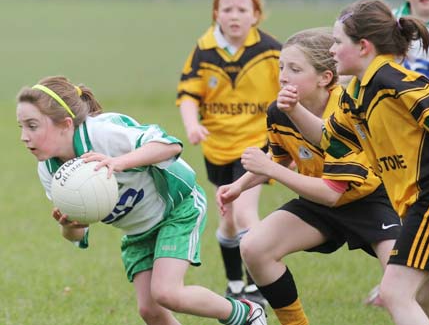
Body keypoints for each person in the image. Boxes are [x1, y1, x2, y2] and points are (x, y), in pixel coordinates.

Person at [16, 76, 267, 325]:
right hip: (137, 231)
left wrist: (118, 162)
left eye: (32, 125)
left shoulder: (102, 132)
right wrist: (69, 225)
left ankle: (245, 313)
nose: (24, 137)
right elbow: (78, 235)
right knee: (150, 311)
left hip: (177, 208)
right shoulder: (51, 171)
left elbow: (169, 146)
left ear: (65, 124)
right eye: (21, 127)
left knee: (167, 293)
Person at [278, 0, 429, 325]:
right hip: (416, 202)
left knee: (396, 293)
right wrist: (294, 110)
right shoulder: (357, 92)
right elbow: (328, 139)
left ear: (363, 47)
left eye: (337, 42)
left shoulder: (391, 80)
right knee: (426, 296)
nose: (331, 50)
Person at [216, 28, 401, 325]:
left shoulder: (348, 110)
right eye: (280, 68)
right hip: (319, 201)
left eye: (295, 69)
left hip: (374, 200)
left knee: (404, 289)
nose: (283, 76)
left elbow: (332, 190)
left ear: (324, 78)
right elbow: (280, 157)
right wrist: (237, 186)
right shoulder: (280, 111)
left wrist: (271, 170)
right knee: (254, 247)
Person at [176, 0, 281, 306]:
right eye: (227, 9)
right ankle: (235, 283)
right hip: (217, 146)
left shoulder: (271, 50)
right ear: (216, 14)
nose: (234, 16)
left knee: (247, 211)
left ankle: (256, 285)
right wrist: (193, 125)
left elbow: (292, 90)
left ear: (256, 14)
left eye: (242, 9)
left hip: (256, 143)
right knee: (228, 219)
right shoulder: (204, 50)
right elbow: (189, 94)